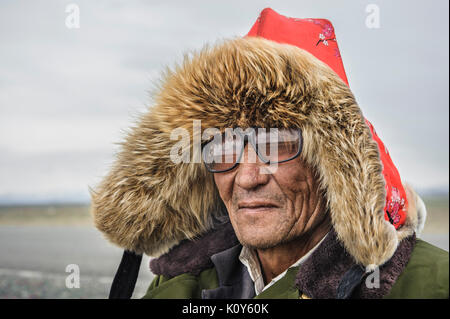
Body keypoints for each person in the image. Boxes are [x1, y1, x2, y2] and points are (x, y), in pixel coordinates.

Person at [91, 8, 448, 299]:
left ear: (333, 161)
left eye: (277, 143)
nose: (247, 177)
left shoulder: (431, 286)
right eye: (225, 144)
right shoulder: (177, 284)